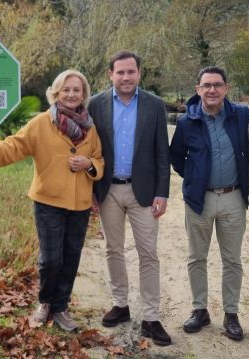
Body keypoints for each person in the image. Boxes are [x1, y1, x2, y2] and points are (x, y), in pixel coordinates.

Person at [0, 69, 104, 332]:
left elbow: (99, 160)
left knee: (71, 257)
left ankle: (61, 307)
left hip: (80, 203)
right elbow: (14, 146)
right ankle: (45, 303)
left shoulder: (90, 128)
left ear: (84, 94)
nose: (71, 94)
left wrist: (89, 163)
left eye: (76, 90)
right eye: (66, 89)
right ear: (56, 93)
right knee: (51, 259)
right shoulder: (41, 123)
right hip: (48, 201)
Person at [88, 51, 172, 346]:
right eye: (120, 72)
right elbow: (88, 147)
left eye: (130, 72)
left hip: (145, 192)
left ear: (139, 73)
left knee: (148, 253)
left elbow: (163, 152)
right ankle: (120, 304)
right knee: (114, 249)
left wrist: (162, 191)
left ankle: (150, 316)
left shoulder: (154, 105)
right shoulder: (95, 104)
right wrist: (91, 192)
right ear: (110, 74)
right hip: (108, 189)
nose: (125, 77)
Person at [169, 66, 249, 341]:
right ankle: (200, 310)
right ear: (198, 89)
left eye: (217, 85)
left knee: (232, 260)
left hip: (232, 197)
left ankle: (231, 314)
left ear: (226, 88)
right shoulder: (186, 122)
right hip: (199, 200)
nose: (212, 90)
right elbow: (176, 158)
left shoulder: (242, 116)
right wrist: (195, 178)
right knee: (196, 257)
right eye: (206, 85)